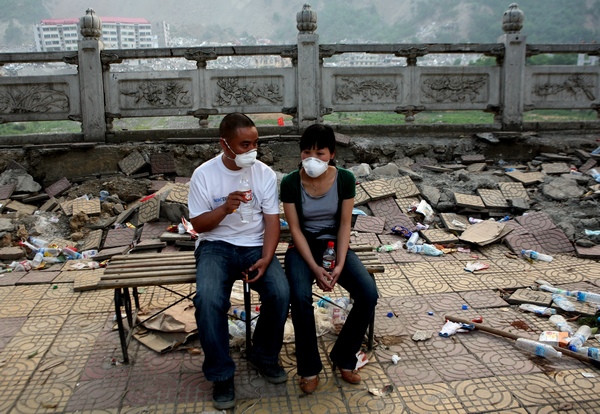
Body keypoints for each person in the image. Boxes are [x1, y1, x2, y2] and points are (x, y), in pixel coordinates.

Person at [188, 112, 290, 410]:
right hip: (215, 246)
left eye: (255, 143)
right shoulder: (204, 175)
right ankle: (221, 374)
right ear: (225, 144)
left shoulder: (264, 174)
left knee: (280, 292)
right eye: (244, 144)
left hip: (254, 246)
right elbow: (198, 224)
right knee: (208, 300)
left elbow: (273, 223)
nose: (251, 150)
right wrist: (224, 209)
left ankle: (264, 355)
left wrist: (266, 257)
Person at [280, 123, 378, 394]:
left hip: (334, 244)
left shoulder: (345, 178)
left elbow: (346, 223)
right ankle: (309, 368)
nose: (312, 159)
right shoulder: (290, 182)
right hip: (302, 248)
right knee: (299, 297)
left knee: (368, 293)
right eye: (306, 152)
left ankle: (345, 357)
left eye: (320, 153)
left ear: (332, 153)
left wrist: (340, 264)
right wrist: (313, 266)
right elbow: (295, 230)